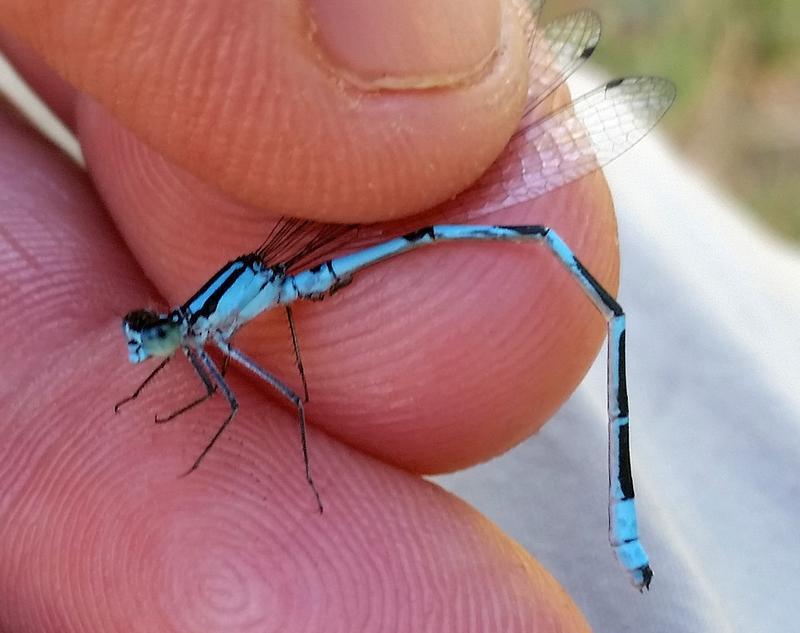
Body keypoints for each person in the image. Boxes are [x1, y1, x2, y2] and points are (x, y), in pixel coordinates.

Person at [0, 2, 638, 631]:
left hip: (417, 213)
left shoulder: (200, 329)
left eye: (155, 338)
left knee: (297, 393)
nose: (151, 346)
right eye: (151, 339)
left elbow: (243, 403)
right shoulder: (196, 329)